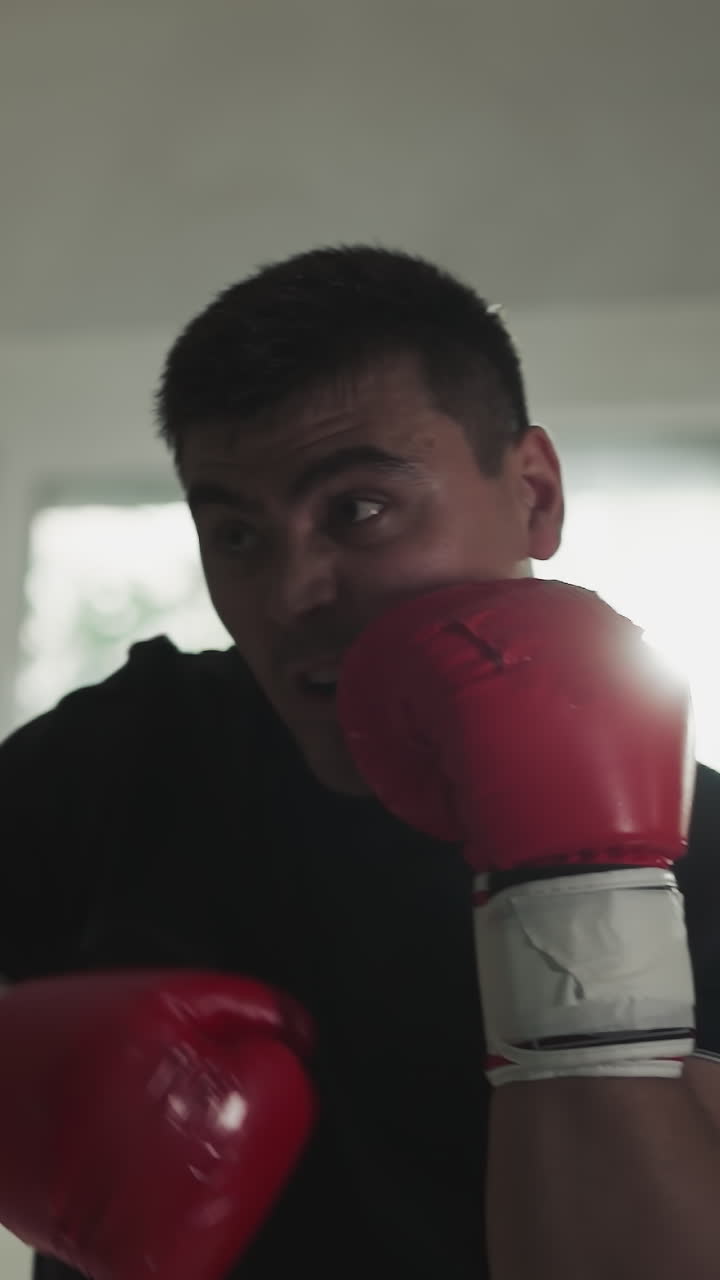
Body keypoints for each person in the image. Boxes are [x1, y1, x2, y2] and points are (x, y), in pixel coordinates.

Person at [2, 245, 720, 1280]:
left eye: (358, 508)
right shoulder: (135, 746)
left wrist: (578, 889)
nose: (291, 592)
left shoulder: (708, 862)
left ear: (534, 495)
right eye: (238, 534)